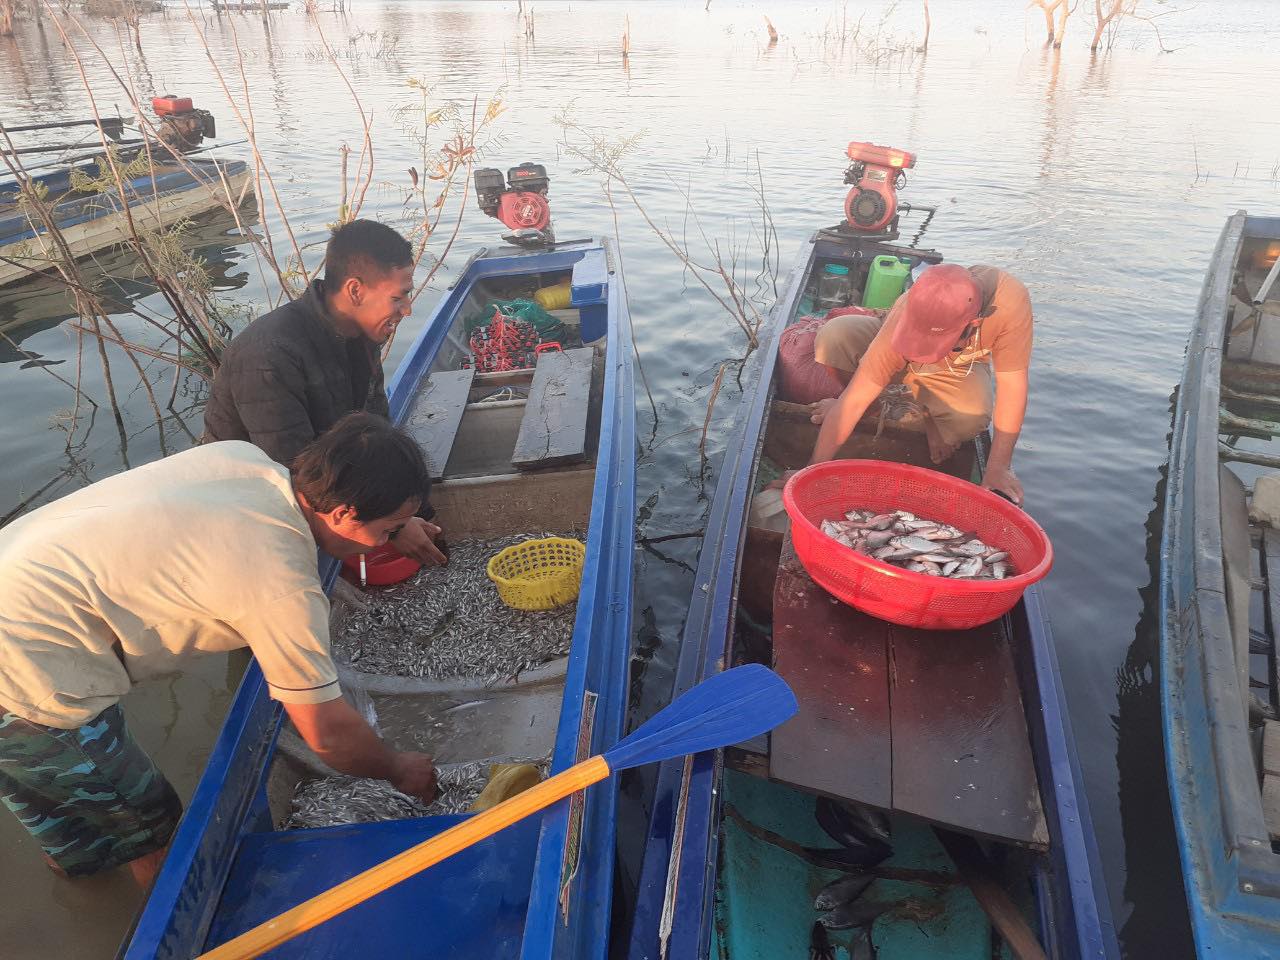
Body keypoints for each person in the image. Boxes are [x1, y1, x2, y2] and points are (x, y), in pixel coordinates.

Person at [0, 413, 439, 888]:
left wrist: (395, 519)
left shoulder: (244, 461)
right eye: (389, 530)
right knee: (148, 822)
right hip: (25, 663)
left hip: (22, 587)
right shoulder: (280, 580)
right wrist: (397, 768)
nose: (386, 543)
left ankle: (80, 888)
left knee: (67, 799)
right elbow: (327, 734)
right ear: (343, 513)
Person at [202, 219, 445, 565]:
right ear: (355, 290)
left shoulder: (362, 334)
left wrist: (416, 512)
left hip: (324, 497)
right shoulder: (269, 353)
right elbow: (293, 472)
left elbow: (377, 436)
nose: (406, 309)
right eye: (398, 296)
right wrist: (393, 525)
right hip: (250, 514)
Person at [808, 263, 1032, 504]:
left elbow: (1013, 390)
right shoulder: (906, 311)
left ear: (972, 326)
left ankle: (926, 410)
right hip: (896, 343)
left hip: (956, 366)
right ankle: (875, 404)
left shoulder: (1011, 305)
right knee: (834, 337)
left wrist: (998, 466)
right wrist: (811, 470)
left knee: (971, 420)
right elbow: (853, 401)